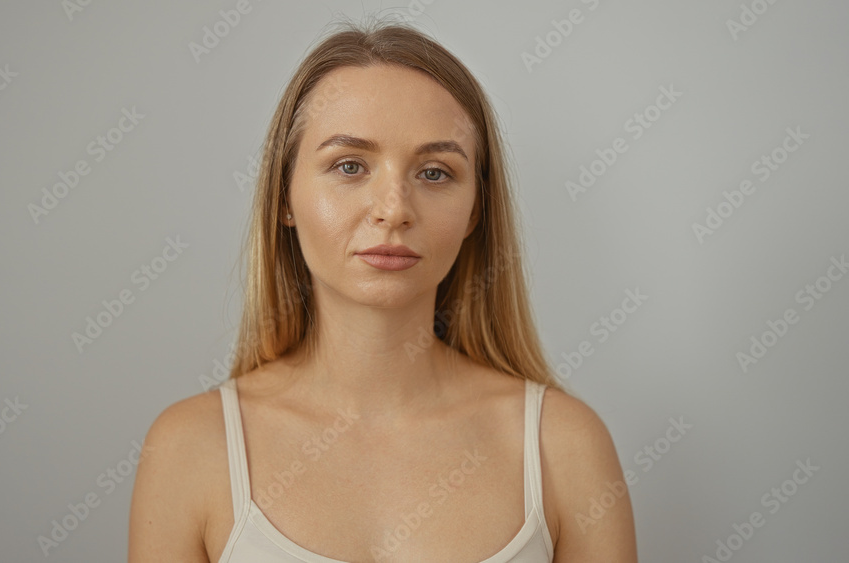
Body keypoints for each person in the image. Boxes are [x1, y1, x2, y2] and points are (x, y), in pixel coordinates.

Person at [129, 19, 637, 563]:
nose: (393, 209)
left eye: (436, 173)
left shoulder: (565, 448)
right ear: (284, 198)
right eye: (349, 166)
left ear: (475, 212)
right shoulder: (189, 449)